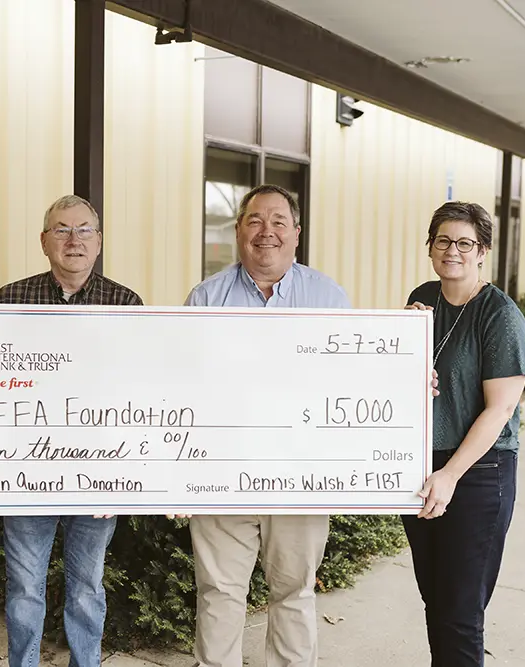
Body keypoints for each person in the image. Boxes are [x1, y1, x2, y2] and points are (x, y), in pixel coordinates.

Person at [0, 194, 142, 667]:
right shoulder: (9, 300)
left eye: (84, 230)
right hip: (26, 476)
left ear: (99, 241)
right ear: (44, 241)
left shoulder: (127, 305)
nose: (73, 240)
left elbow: (140, 395)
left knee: (86, 586)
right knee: (24, 586)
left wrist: (125, 479)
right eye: (61, 230)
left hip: (97, 477)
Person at [182, 184, 351, 667]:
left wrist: (408, 372)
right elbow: (183, 391)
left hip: (300, 477)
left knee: (295, 593)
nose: (267, 232)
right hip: (222, 478)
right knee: (218, 593)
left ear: (296, 234)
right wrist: (179, 479)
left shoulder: (328, 297)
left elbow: (355, 380)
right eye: (255, 220)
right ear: (238, 231)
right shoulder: (206, 299)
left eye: (279, 221)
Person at [402, 201, 525, 667]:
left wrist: (452, 474)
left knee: (460, 612)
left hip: (478, 472)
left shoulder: (499, 315)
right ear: (430, 246)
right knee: (436, 601)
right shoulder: (423, 298)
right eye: (442, 240)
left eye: (464, 243)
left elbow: (500, 409)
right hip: (425, 467)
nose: (451, 250)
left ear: (482, 251)